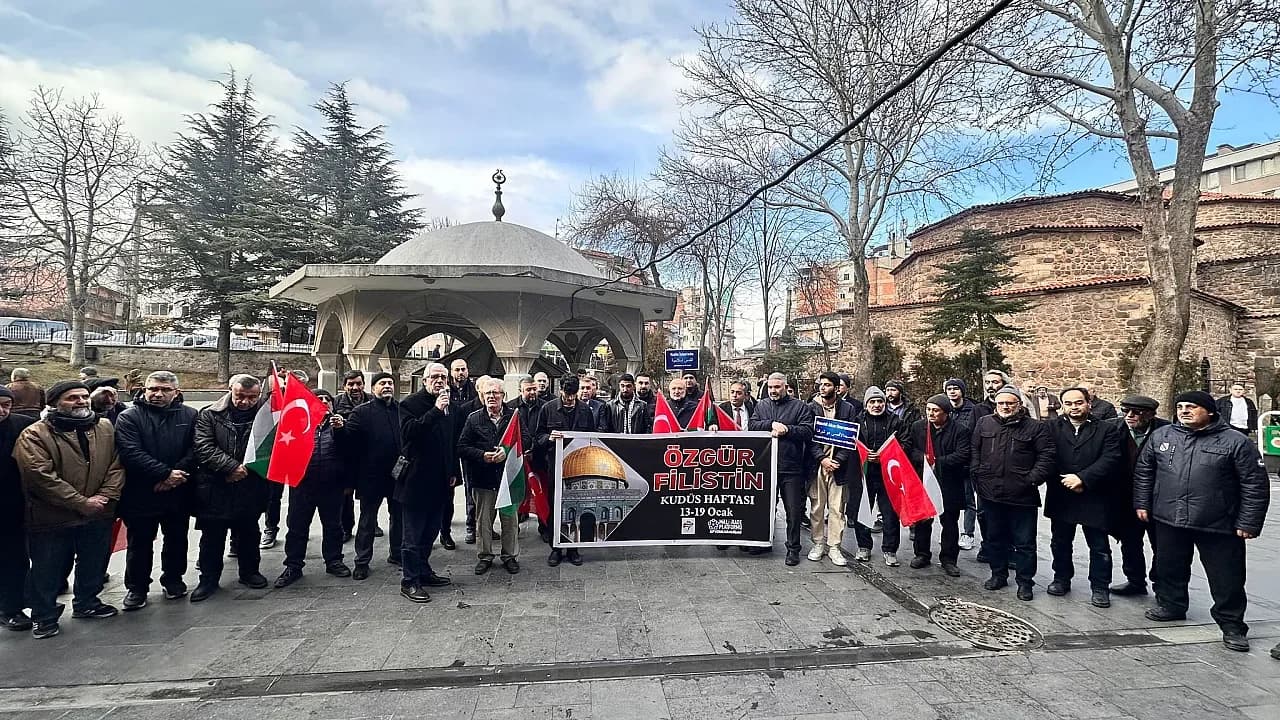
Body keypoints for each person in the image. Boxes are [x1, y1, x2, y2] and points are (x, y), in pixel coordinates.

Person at [1134, 390, 1270, 652]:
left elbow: (1254, 483)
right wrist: (1142, 503)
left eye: (1192, 406)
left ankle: (1231, 624)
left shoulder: (1235, 441)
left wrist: (1249, 522)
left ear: (1209, 411)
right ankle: (1171, 605)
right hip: (1168, 516)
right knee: (1168, 566)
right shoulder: (1162, 436)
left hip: (1218, 521)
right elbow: (1144, 471)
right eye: (1180, 406)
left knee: (1226, 577)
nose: (1184, 411)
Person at [14, 381, 125, 638]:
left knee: (94, 561)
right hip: (52, 516)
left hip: (99, 512)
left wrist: (105, 497)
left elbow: (117, 465)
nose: (81, 402)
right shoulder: (34, 434)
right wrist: (80, 502)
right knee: (47, 567)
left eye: (84, 396)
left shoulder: (104, 427)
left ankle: (87, 602)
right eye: (72, 398)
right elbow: (39, 476)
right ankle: (44, 615)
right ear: (53, 403)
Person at [114, 371, 197, 610]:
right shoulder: (129, 416)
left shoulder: (189, 415)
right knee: (139, 542)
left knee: (177, 539)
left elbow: (195, 449)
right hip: (142, 491)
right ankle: (137, 588)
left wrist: (175, 475)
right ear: (145, 390)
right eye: (153, 389)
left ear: (176, 392)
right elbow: (130, 452)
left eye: (164, 389)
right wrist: (164, 474)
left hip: (178, 490)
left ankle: (173, 580)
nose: (158, 394)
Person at [970, 385, 1055, 601]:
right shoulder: (985, 422)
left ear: (1019, 404)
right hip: (990, 493)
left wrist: (1031, 480)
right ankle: (998, 574)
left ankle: (1025, 582)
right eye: (1001, 403)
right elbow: (975, 450)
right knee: (994, 537)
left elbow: (1046, 457)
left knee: (1025, 542)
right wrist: (977, 474)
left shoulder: (1036, 428)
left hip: (1022, 496)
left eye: (1010, 403)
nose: (1005, 406)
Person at [191, 374, 271, 602]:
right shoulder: (209, 414)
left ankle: (250, 572)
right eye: (240, 396)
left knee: (249, 532)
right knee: (212, 536)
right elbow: (203, 446)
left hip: (250, 485)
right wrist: (231, 467)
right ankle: (208, 579)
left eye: (252, 397)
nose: (245, 402)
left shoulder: (264, 416)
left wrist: (247, 469)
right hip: (216, 485)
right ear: (230, 391)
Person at [1044, 388, 1123, 608]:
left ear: (1089, 403)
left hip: (1094, 494)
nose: (1074, 407)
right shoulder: (1051, 428)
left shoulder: (1106, 429)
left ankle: (1100, 586)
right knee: (1060, 541)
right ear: (1062, 405)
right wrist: (1065, 480)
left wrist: (1083, 479)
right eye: (1068, 403)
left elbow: (1111, 457)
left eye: (1079, 402)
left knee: (1098, 545)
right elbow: (1047, 455)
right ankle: (1061, 578)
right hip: (1062, 492)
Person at [396, 363, 460, 603]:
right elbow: (410, 433)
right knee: (412, 535)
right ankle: (409, 581)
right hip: (415, 480)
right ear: (424, 381)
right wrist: (434, 410)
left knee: (431, 531)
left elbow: (452, 441)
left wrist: (453, 470)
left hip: (441, 480)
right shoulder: (409, 404)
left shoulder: (450, 408)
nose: (440, 381)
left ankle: (423, 571)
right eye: (434, 377)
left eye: (443, 377)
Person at [274, 391, 352, 587]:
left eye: (328, 400)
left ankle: (334, 560)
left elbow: (349, 452)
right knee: (297, 526)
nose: (324, 402)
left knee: (333, 526)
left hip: (331, 485)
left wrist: (341, 431)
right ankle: (293, 565)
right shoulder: (298, 425)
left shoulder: (340, 426)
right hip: (302, 485)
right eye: (319, 399)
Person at [749, 373, 815, 566]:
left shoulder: (800, 407)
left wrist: (788, 429)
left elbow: (808, 431)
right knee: (764, 508)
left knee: (793, 511)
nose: (773, 391)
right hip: (767, 466)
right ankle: (763, 543)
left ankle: (793, 548)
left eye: (777, 387)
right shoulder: (761, 406)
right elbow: (752, 426)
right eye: (770, 387)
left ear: (786, 387)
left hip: (791, 468)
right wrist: (770, 424)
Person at [458, 377, 520, 575]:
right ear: (482, 396)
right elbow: (462, 447)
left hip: (507, 479)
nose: (492, 396)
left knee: (509, 521)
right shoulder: (473, 418)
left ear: (503, 396)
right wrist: (482, 456)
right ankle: (485, 556)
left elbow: (525, 439)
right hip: (483, 479)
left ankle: (509, 556)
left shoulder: (514, 417)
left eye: (496, 393)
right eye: (488, 393)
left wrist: (506, 451)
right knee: (483, 521)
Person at [532, 377, 596, 566]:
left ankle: (573, 548)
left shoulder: (585, 410)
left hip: (578, 467)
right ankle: (556, 548)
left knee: (575, 507)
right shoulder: (548, 408)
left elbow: (592, 437)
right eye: (566, 395)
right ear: (561, 391)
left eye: (572, 396)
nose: (569, 399)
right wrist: (549, 438)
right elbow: (538, 437)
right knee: (556, 507)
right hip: (555, 466)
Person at [1108, 395, 1168, 596]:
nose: (1130, 416)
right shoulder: (1112, 428)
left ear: (1150, 414)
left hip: (1157, 497)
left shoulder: (1166, 431)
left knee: (1161, 544)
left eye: (1137, 412)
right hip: (1124, 496)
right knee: (1129, 541)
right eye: (1126, 411)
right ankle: (1135, 580)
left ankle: (1162, 585)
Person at [347, 372, 404, 581]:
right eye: (382, 383)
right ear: (373, 389)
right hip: (370, 476)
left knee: (398, 517)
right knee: (367, 520)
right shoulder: (361, 412)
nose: (387, 386)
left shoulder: (401, 410)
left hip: (397, 475)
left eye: (390, 383)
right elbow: (348, 441)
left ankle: (397, 554)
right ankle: (362, 561)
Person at [907, 395, 971, 576]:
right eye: (928, 410)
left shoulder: (960, 430)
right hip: (924, 480)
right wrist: (923, 460)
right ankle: (922, 553)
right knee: (922, 520)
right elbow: (912, 449)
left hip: (949, 482)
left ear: (946, 413)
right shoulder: (918, 427)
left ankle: (949, 559)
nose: (931, 414)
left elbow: (963, 454)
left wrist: (938, 462)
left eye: (935, 410)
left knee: (949, 522)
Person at [852, 386, 912, 566]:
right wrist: (864, 455)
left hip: (889, 475)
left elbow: (906, 443)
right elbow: (850, 444)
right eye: (872, 402)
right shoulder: (857, 421)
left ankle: (890, 549)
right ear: (866, 404)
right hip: (865, 474)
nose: (877, 405)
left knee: (890, 514)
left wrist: (885, 455)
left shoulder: (896, 421)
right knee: (862, 511)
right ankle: (863, 546)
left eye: (880, 402)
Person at [806, 372, 857, 567]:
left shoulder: (848, 408)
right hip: (817, 465)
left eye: (827, 385)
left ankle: (834, 546)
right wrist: (822, 459)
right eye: (821, 384)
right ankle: (818, 543)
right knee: (817, 507)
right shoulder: (811, 408)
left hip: (839, 467)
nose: (822, 387)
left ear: (836, 388)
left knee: (837, 509)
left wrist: (838, 460)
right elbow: (809, 438)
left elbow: (850, 437)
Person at [0, 387, 37, 631]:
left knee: (14, 559)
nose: (2, 410)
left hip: (12, 505)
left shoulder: (23, 425)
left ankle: (11, 608)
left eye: (6, 405)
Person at [943, 378, 983, 553]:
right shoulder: (944, 409)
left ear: (962, 391)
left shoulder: (973, 410)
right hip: (948, 462)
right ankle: (949, 533)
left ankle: (968, 533)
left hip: (965, 462)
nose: (952, 392)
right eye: (949, 389)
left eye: (955, 388)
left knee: (968, 500)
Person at [446, 360, 479, 546]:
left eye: (463, 369)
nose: (460, 373)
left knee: (471, 485)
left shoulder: (474, 391)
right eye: (457, 369)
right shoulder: (445, 391)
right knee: (448, 485)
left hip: (469, 444)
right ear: (452, 372)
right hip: (450, 443)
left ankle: (472, 525)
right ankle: (445, 529)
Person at [332, 371, 368, 543]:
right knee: (345, 495)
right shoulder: (335, 402)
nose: (355, 387)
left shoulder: (371, 401)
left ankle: (371, 523)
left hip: (366, 455)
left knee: (369, 494)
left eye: (358, 383)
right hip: (344, 456)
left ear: (364, 384)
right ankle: (346, 528)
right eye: (351, 384)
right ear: (344, 385)